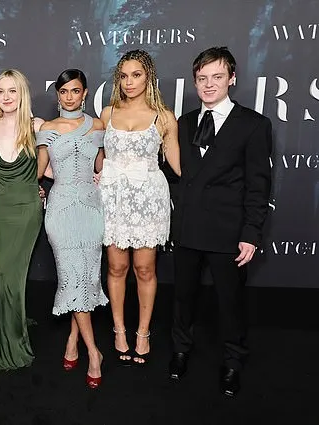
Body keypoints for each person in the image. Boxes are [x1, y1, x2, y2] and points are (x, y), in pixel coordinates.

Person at [169, 47, 272, 397]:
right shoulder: (183, 123)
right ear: (195, 82)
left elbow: (259, 186)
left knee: (230, 302)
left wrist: (250, 234)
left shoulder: (254, 125)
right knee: (183, 298)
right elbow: (174, 175)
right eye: (202, 78)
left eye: (216, 77)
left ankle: (232, 362)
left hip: (228, 233)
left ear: (232, 79)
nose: (208, 84)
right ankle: (181, 351)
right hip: (187, 229)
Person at [95, 49, 180, 367]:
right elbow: (99, 159)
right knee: (116, 268)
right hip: (114, 200)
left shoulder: (164, 117)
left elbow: (178, 166)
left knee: (145, 269)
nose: (129, 82)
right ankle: (119, 330)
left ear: (149, 77)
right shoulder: (107, 114)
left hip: (148, 202)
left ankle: (142, 332)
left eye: (137, 75)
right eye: (124, 75)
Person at [36, 69, 108, 388]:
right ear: (58, 95)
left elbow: (101, 167)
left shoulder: (98, 126)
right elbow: (38, 170)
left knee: (88, 276)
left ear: (85, 93)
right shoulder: (47, 128)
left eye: (75, 91)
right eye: (63, 91)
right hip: (61, 206)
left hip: (92, 207)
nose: (69, 96)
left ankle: (72, 340)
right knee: (70, 276)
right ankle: (94, 352)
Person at [0, 69, 44, 370]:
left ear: (22, 94)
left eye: (12, 91)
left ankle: (13, 338)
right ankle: (10, 333)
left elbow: (52, 166)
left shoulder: (37, 126)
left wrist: (92, 175)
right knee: (3, 275)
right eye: (1, 91)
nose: (6, 97)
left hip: (27, 208)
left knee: (15, 275)